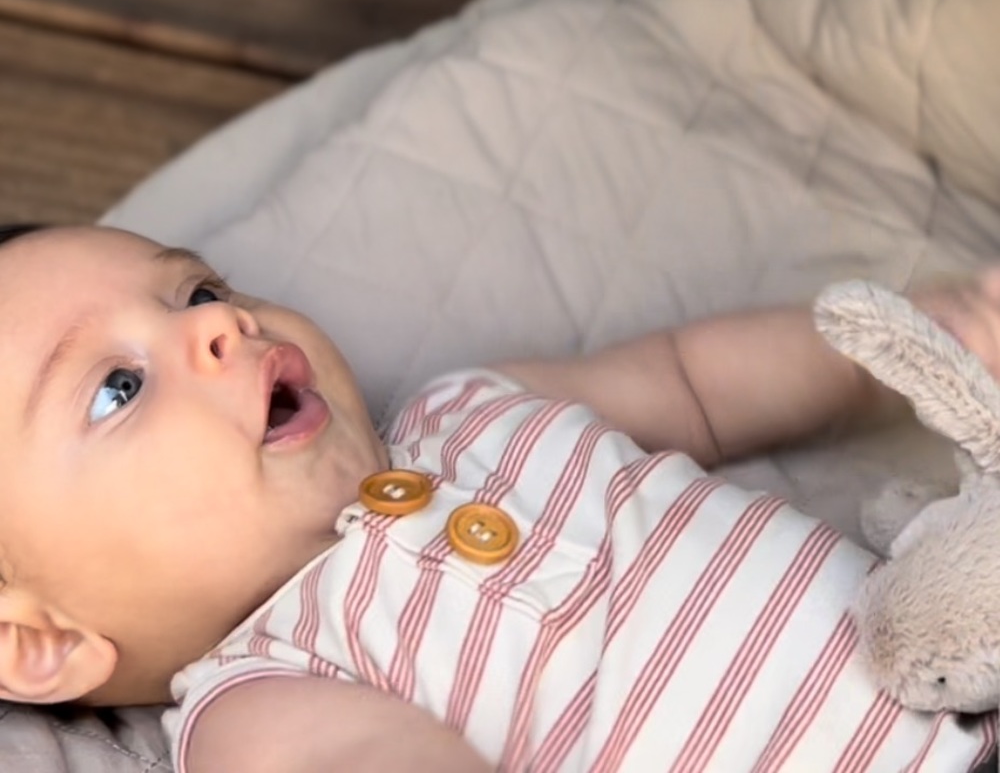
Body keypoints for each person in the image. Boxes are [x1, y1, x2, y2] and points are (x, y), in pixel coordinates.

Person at [0, 223, 996, 773]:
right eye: (115, 388)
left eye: (199, 291)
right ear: (39, 642)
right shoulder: (257, 701)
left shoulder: (467, 408)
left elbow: (691, 378)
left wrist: (922, 339)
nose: (219, 330)